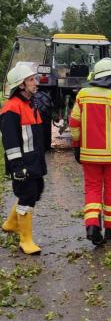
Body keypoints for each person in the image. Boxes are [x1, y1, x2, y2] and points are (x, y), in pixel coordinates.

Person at [69, 58, 111, 245]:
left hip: (89, 155)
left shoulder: (82, 94)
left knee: (92, 189)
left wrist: (76, 146)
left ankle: (92, 225)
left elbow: (74, 123)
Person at [1, 64, 47, 254]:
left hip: (34, 161)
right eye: (31, 80)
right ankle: (25, 240)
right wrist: (17, 166)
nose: (36, 83)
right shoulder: (11, 109)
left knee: (36, 192)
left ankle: (11, 224)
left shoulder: (30, 104)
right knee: (27, 197)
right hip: (22, 164)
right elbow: (10, 142)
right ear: (21, 85)